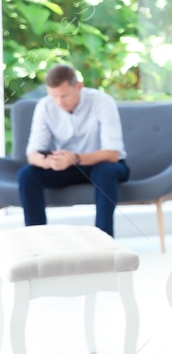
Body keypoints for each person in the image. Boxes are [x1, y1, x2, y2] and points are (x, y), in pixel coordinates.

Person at [19, 64, 130, 237]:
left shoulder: (102, 101)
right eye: (54, 96)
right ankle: (37, 238)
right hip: (66, 166)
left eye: (64, 95)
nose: (59, 102)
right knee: (27, 174)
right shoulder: (45, 106)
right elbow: (33, 154)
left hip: (103, 165)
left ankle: (104, 238)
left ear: (79, 87)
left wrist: (76, 158)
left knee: (106, 171)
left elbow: (113, 153)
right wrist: (48, 161)